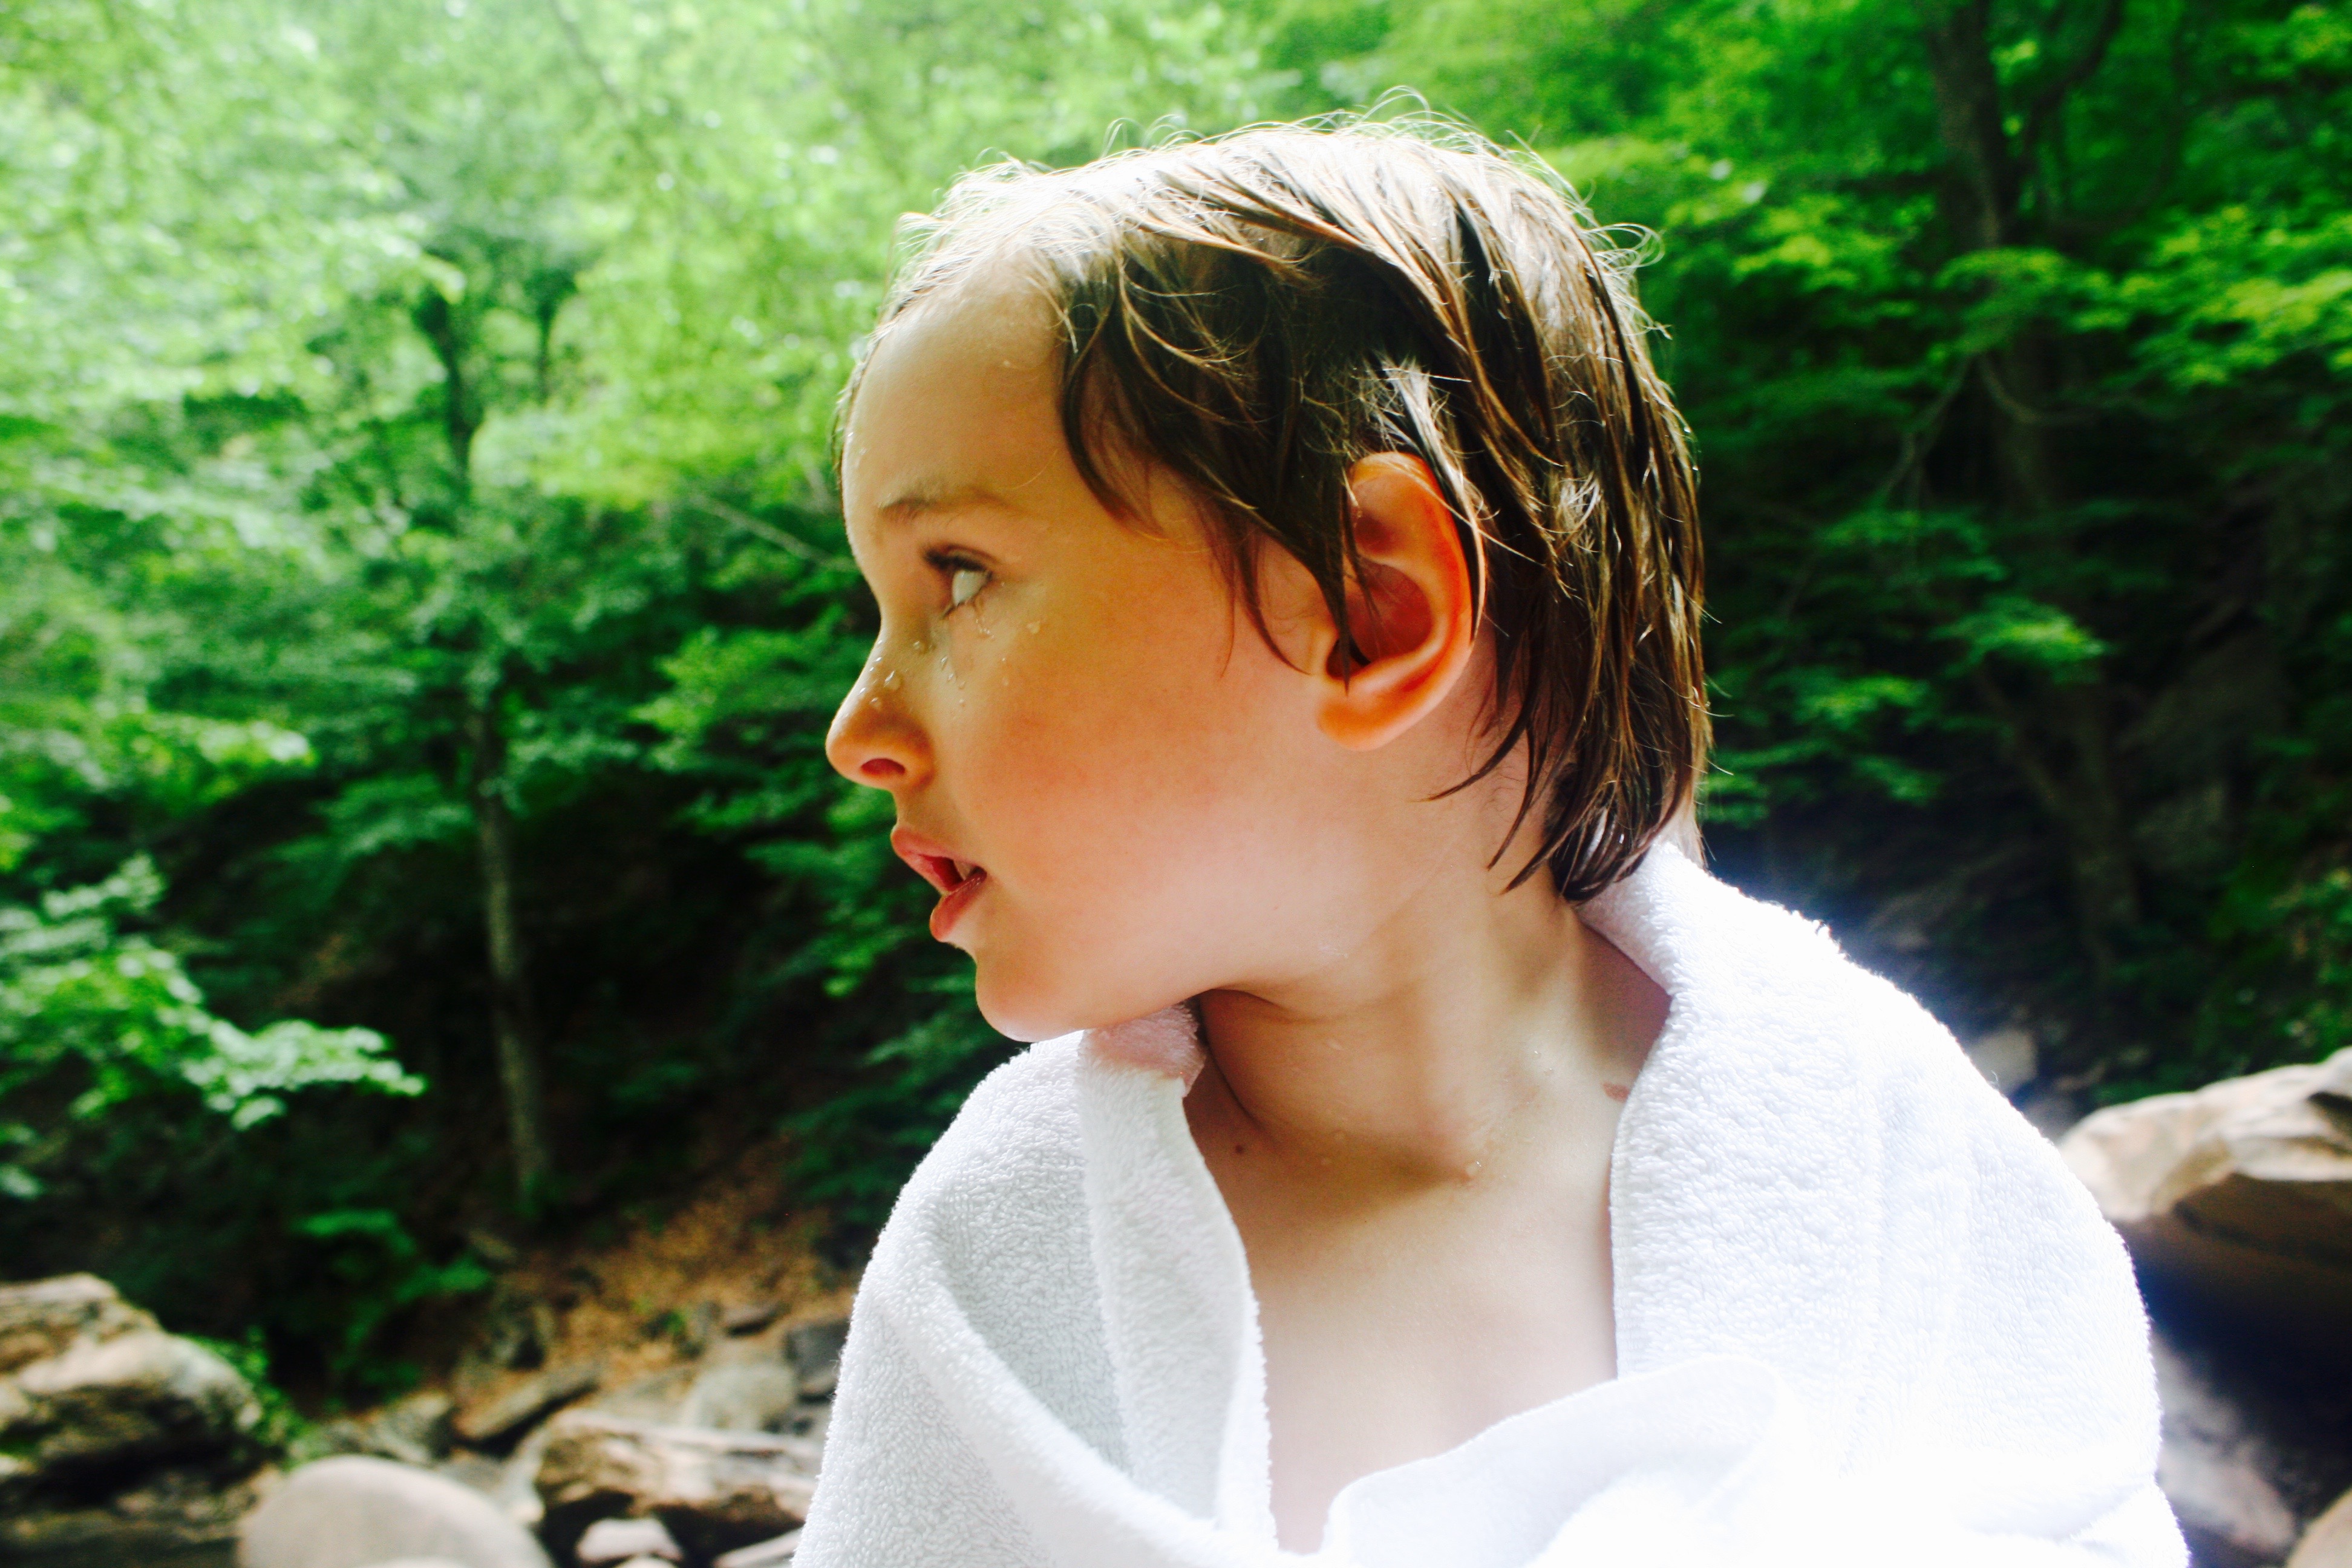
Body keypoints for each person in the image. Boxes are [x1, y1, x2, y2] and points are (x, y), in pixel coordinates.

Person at [798, 122, 2183, 1568]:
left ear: (1370, 610)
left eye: (958, 578)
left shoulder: (1873, 1139)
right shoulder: (1000, 1258)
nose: (856, 729)